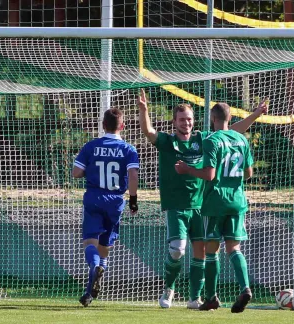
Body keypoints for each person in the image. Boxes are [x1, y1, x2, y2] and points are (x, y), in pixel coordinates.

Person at [138, 89, 266, 309]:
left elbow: (230, 131)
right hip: (177, 205)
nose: (186, 123)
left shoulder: (203, 138)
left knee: (203, 251)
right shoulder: (168, 141)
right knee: (178, 249)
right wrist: (144, 110)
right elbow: (149, 132)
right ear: (174, 122)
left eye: (189, 119)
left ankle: (194, 298)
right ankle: (169, 288)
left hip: (202, 205)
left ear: (194, 120)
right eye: (181, 120)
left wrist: (254, 115)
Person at [175, 102, 260, 313]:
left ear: (212, 119)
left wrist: (187, 169)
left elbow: (210, 175)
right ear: (229, 119)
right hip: (237, 201)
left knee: (211, 250)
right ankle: (245, 287)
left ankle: (211, 296)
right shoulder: (241, 139)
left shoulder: (212, 141)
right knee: (234, 249)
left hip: (215, 203)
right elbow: (249, 173)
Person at [72, 108, 139, 307]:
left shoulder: (91, 146)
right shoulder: (129, 149)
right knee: (105, 248)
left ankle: (94, 267)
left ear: (103, 125)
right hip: (116, 200)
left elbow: (76, 172)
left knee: (90, 244)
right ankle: (89, 292)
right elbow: (133, 176)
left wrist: (91, 171)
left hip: (94, 197)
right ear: (123, 126)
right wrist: (133, 200)